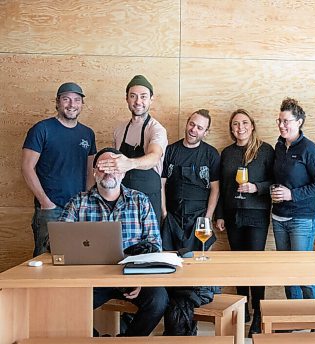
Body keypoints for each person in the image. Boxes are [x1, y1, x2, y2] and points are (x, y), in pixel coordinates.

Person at [59, 147, 168, 337]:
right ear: (94, 173)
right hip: (90, 280)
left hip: (131, 278)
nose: (109, 172)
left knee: (158, 300)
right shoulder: (78, 202)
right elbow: (59, 241)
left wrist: (142, 278)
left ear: (124, 172)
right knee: (62, 304)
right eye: (103, 167)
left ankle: (127, 341)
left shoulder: (140, 201)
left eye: (114, 167)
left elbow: (154, 245)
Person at [215, 109, 274, 336]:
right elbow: (221, 187)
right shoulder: (227, 153)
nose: (240, 127)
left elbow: (275, 181)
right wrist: (219, 214)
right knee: (238, 264)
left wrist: (256, 187)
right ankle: (243, 309)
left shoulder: (265, 150)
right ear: (231, 129)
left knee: (255, 265)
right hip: (232, 214)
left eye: (244, 123)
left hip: (257, 213)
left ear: (252, 126)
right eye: (236, 124)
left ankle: (258, 312)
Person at [21, 82, 97, 257]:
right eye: (66, 99)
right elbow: (27, 167)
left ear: (82, 105)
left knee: (78, 257)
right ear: (57, 102)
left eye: (77, 100)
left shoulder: (87, 133)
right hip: (51, 209)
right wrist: (45, 202)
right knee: (46, 259)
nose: (72, 104)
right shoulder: (42, 129)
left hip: (79, 209)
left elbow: (90, 170)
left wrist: (86, 200)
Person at [271, 98, 315, 301]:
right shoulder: (278, 147)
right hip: (278, 217)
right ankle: (292, 316)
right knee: (287, 273)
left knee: (303, 272)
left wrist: (292, 194)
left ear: (299, 122)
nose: (281, 125)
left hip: (302, 219)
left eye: (286, 121)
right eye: (279, 120)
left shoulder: (309, 149)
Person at [97, 75, 168, 226]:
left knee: (148, 246)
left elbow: (154, 156)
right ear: (127, 99)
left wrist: (129, 163)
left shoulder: (156, 129)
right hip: (121, 198)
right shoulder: (119, 130)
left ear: (151, 99)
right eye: (133, 96)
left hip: (149, 197)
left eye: (143, 97)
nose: (138, 102)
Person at [161, 109, 220, 251]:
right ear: (187, 124)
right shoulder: (170, 150)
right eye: (191, 124)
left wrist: (207, 218)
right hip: (172, 217)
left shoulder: (211, 154)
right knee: (170, 262)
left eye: (199, 128)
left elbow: (215, 189)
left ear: (206, 132)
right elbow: (161, 184)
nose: (193, 130)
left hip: (199, 218)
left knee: (201, 264)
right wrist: (164, 213)